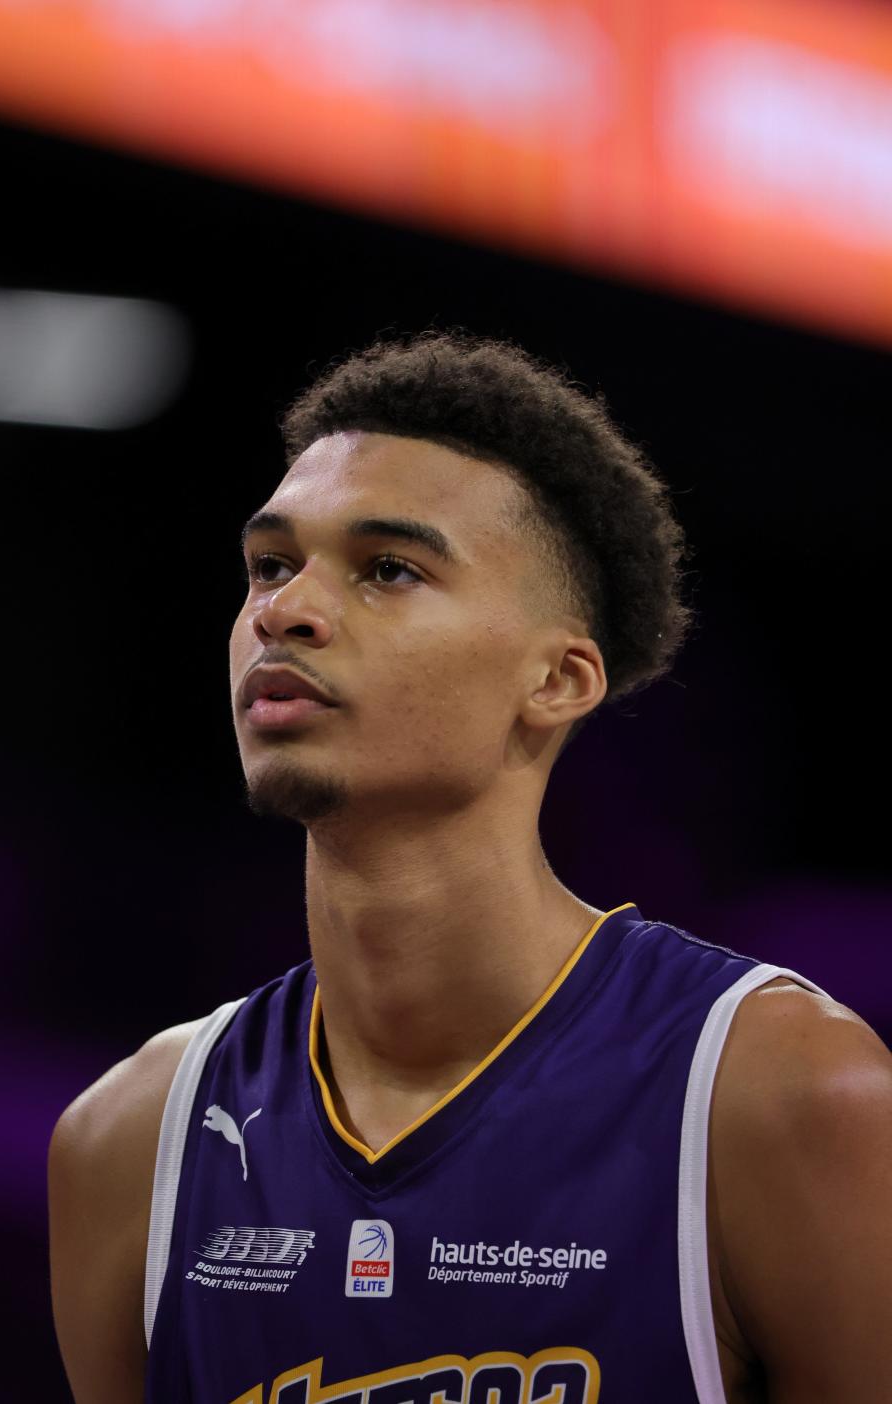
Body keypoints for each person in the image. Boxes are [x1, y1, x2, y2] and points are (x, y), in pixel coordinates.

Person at [48, 329, 892, 1404]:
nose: (285, 610)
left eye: (389, 569)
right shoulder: (130, 1142)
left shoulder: (784, 1094)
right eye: (270, 564)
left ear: (557, 680)